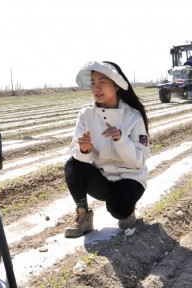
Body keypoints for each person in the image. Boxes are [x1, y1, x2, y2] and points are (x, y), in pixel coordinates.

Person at [64, 60, 150, 238]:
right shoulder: (86, 115)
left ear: (116, 86)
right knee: (72, 164)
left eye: (102, 82)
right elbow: (76, 153)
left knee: (119, 210)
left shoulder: (133, 117)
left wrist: (120, 139)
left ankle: (126, 209)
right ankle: (83, 217)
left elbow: (139, 160)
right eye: (93, 83)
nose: (96, 88)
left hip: (130, 178)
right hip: (104, 178)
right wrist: (84, 150)